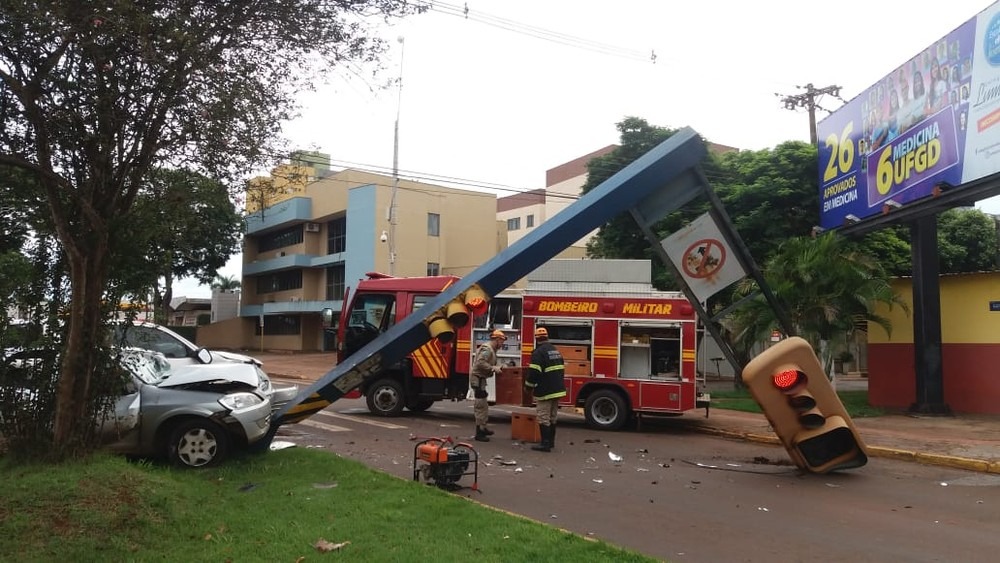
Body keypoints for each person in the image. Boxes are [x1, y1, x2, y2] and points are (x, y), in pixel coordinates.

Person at [524, 327, 567, 452]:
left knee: (543, 417)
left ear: (536, 339)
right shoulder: (555, 350)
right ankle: (551, 442)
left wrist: (528, 387)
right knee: (553, 416)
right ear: (547, 337)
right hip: (557, 388)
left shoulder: (538, 353)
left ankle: (545, 444)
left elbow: (534, 373)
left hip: (545, 390)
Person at [471, 329, 505, 441]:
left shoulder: (492, 349)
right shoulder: (487, 349)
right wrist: (492, 368)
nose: (502, 344)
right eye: (501, 341)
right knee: (480, 406)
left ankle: (483, 427)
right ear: (496, 339)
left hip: (481, 379)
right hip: (478, 379)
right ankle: (479, 433)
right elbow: (480, 363)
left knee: (484, 405)